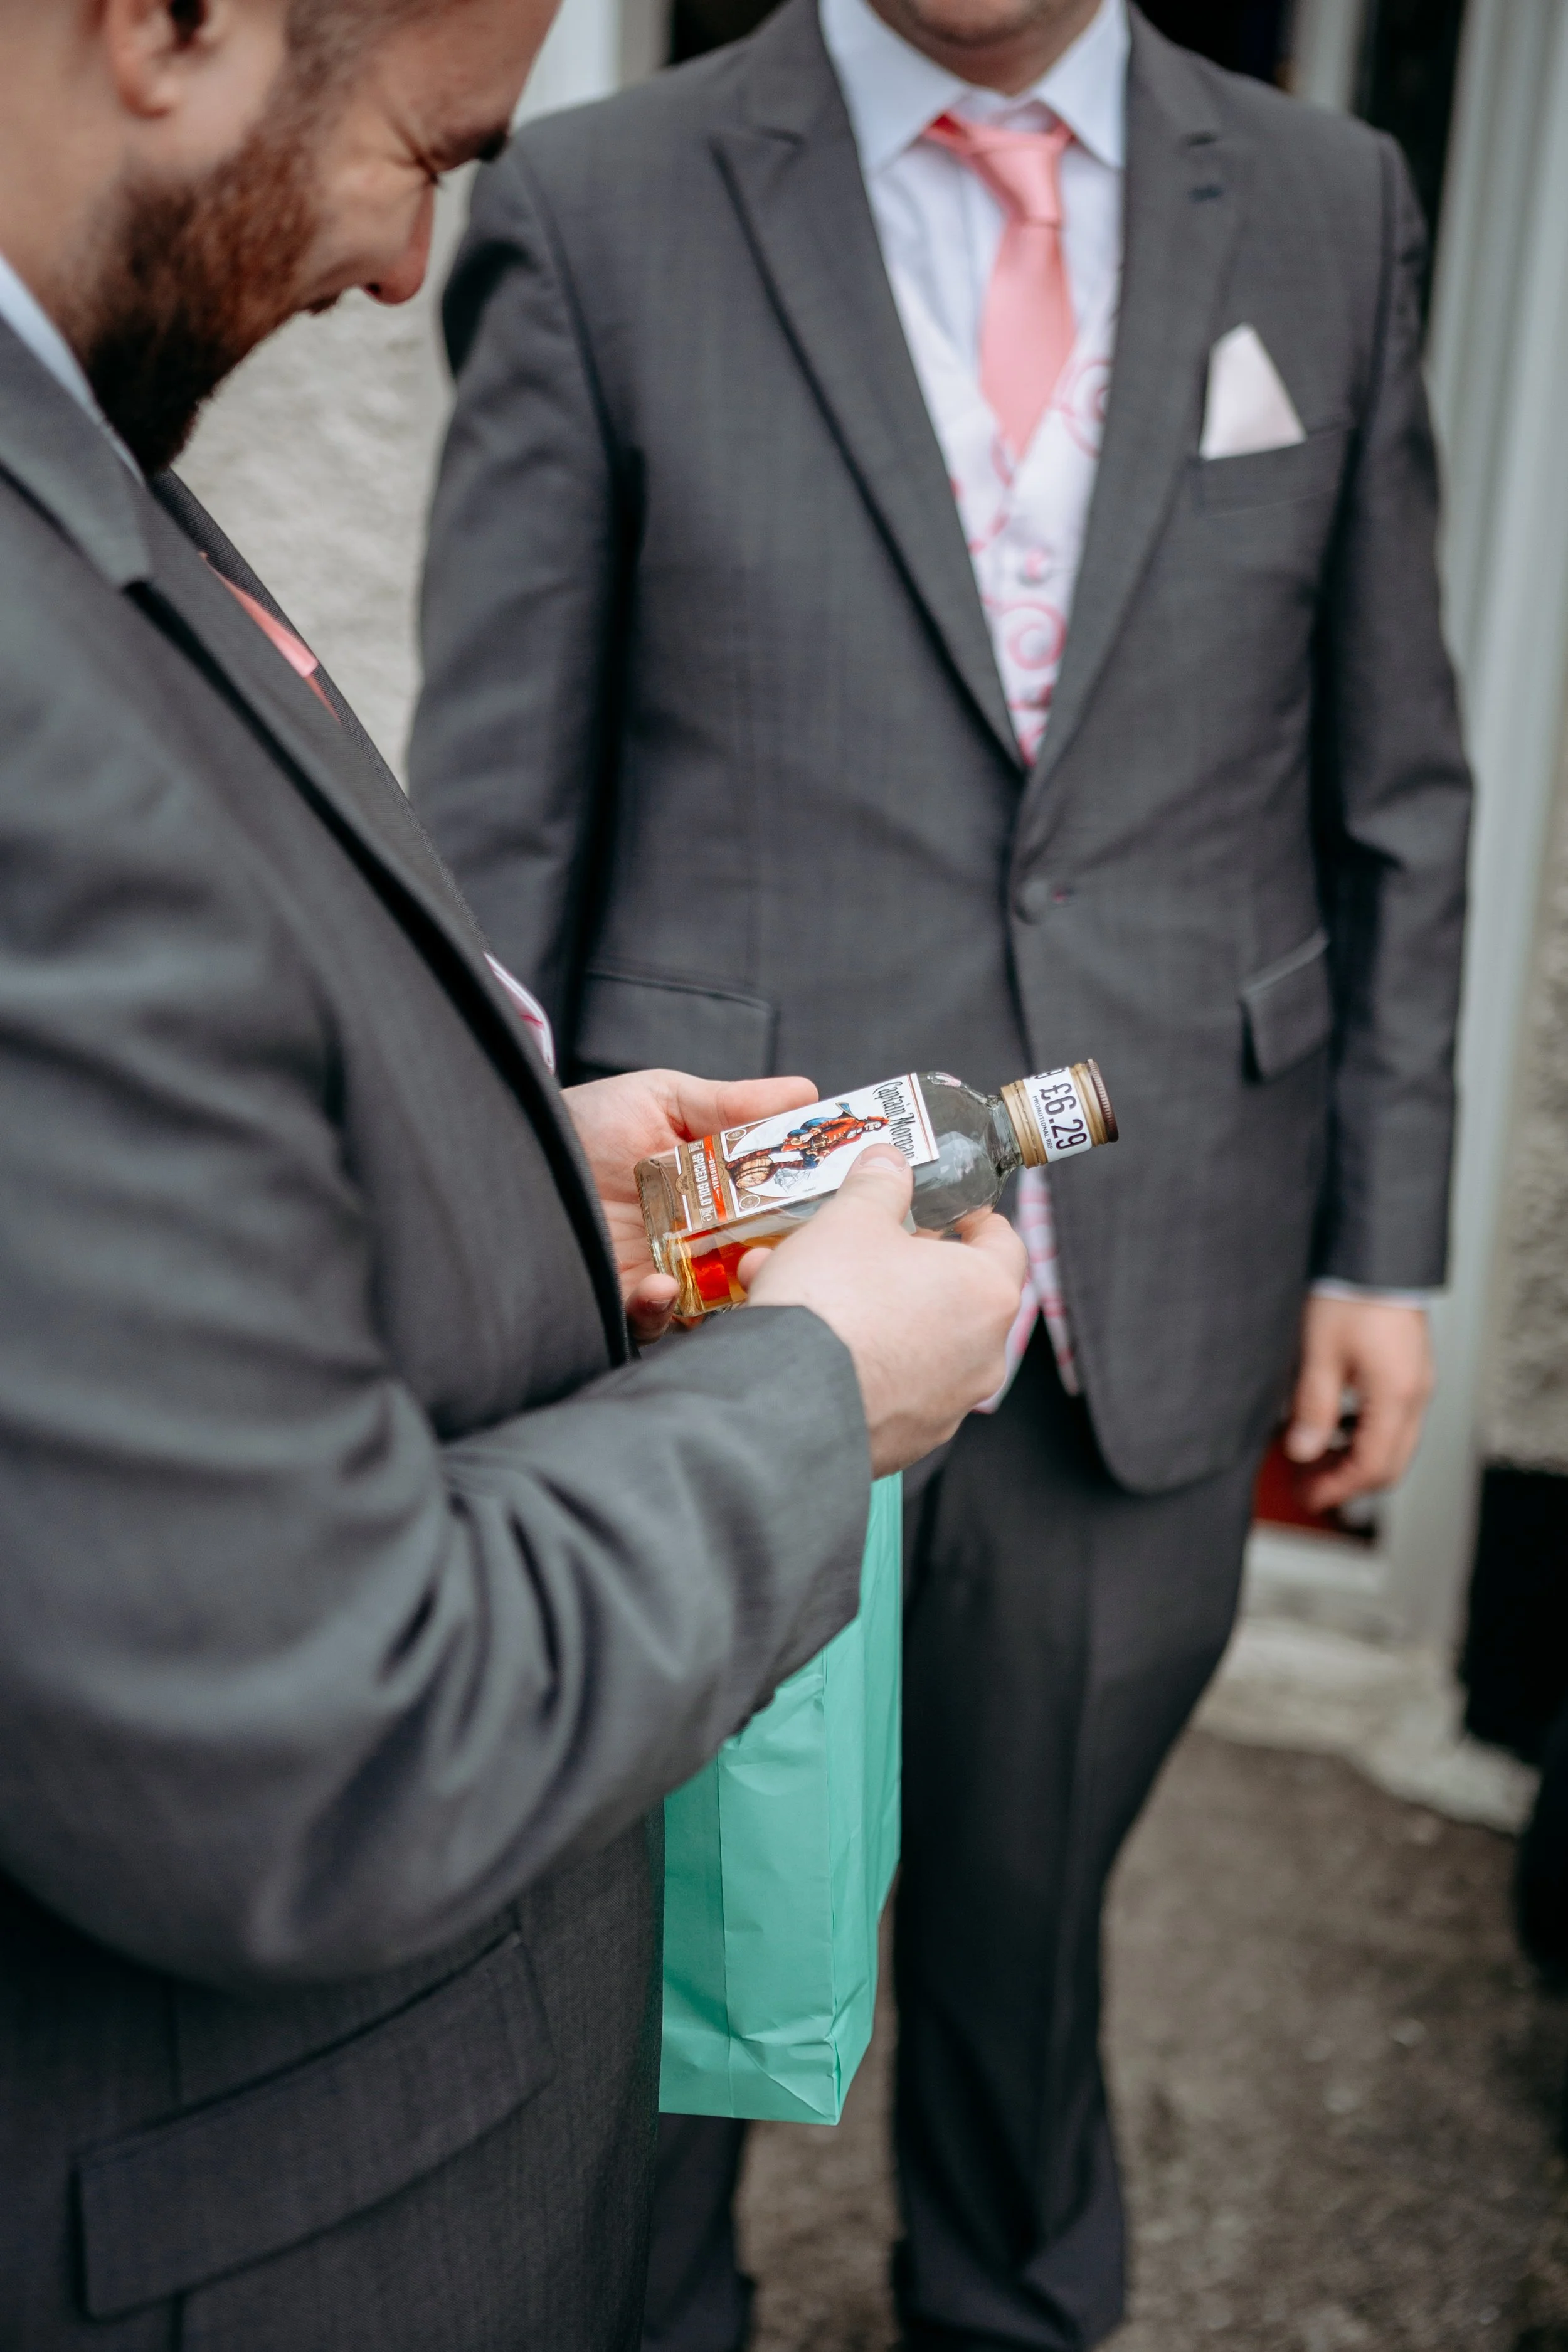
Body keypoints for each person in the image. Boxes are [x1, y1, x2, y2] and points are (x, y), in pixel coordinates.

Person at [408, 0, 1473, 2343]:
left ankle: (1013, 2305)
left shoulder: (1330, 206)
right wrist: (492, 1270)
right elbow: (489, 825)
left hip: (1153, 1268)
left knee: (1033, 1933)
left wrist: (1380, 1246)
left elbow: (1390, 781)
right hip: (723, 1292)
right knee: (665, 1978)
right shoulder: (601, 204)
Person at [0, 4, 1027, 2347]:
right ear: (167, 24)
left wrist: (509, 1160)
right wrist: (813, 1389)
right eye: (425, 150)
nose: (402, 271)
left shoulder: (70, 466)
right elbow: (316, 1735)